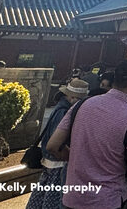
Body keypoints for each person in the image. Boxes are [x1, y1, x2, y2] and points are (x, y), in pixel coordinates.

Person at [47, 58, 127, 209]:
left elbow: (53, 146)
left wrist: (78, 157)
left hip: (73, 197)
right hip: (107, 199)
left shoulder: (82, 104)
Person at [25, 78, 89, 209]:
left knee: (41, 194)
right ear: (73, 98)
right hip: (57, 161)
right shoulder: (65, 112)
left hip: (48, 159)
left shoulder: (59, 107)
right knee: (53, 198)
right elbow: (57, 141)